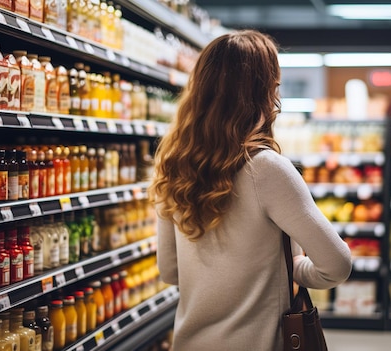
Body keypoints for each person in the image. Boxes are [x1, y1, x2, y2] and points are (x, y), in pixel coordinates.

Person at [149, 29, 352, 351]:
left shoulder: (173, 163)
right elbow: (337, 265)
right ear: (263, 91)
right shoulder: (265, 167)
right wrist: (295, 267)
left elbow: (170, 271)